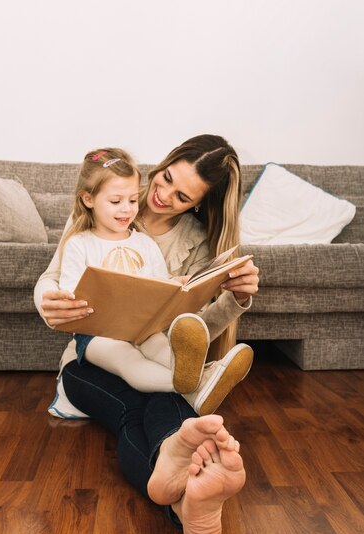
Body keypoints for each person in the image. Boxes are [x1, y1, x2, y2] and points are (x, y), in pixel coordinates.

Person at [34, 134, 259, 534]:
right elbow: (55, 278)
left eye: (181, 196)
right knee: (147, 403)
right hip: (89, 359)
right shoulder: (107, 198)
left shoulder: (193, 241)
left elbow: (186, 329)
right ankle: (194, 389)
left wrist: (234, 299)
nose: (160, 195)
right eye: (166, 177)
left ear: (197, 204)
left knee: (164, 403)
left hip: (154, 346)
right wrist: (48, 304)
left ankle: (184, 503)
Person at [56, 146, 254, 415]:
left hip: (142, 329)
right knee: (128, 360)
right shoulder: (81, 242)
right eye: (116, 202)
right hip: (98, 335)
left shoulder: (144, 242)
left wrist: (178, 285)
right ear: (88, 200)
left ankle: (204, 375)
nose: (127, 209)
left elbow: (160, 285)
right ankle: (196, 387)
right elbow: (67, 291)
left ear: (196, 204)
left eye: (132, 202)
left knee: (163, 346)